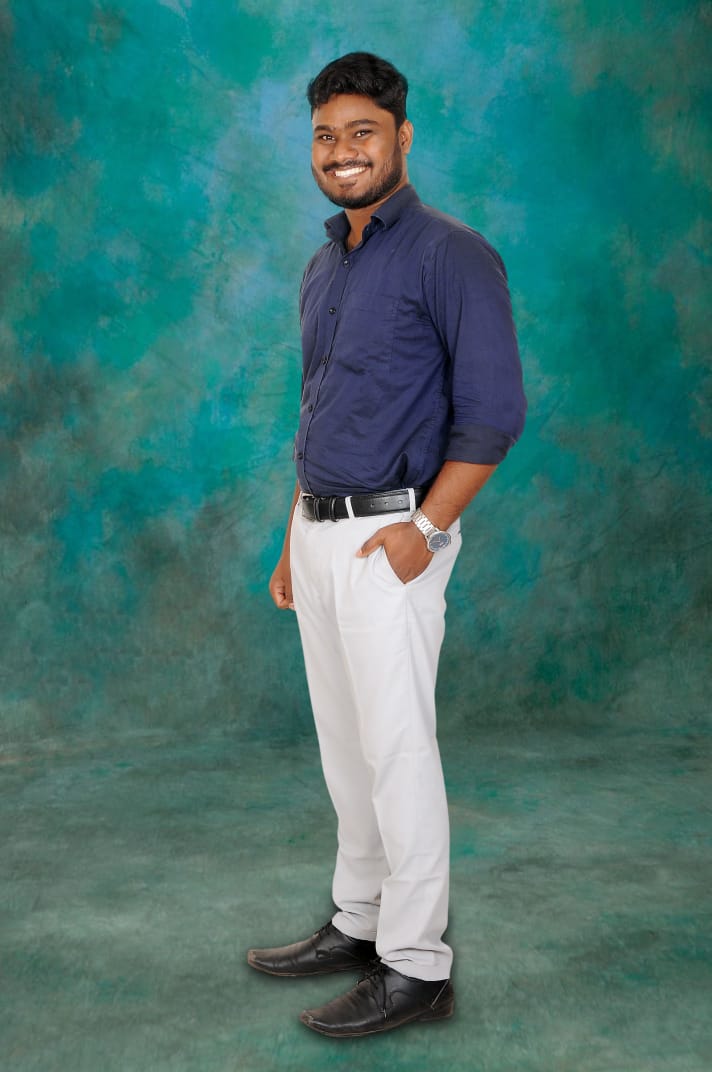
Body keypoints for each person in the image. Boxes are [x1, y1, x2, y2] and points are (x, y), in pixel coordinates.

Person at [246, 51, 526, 1038]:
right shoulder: (325, 266)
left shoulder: (453, 254)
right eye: (325, 136)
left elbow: (494, 413)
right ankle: (359, 918)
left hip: (393, 534)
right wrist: (293, 538)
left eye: (361, 132)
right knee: (345, 747)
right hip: (320, 533)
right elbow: (319, 410)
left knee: (398, 749)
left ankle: (415, 965)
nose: (341, 152)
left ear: (401, 138)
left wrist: (426, 530)